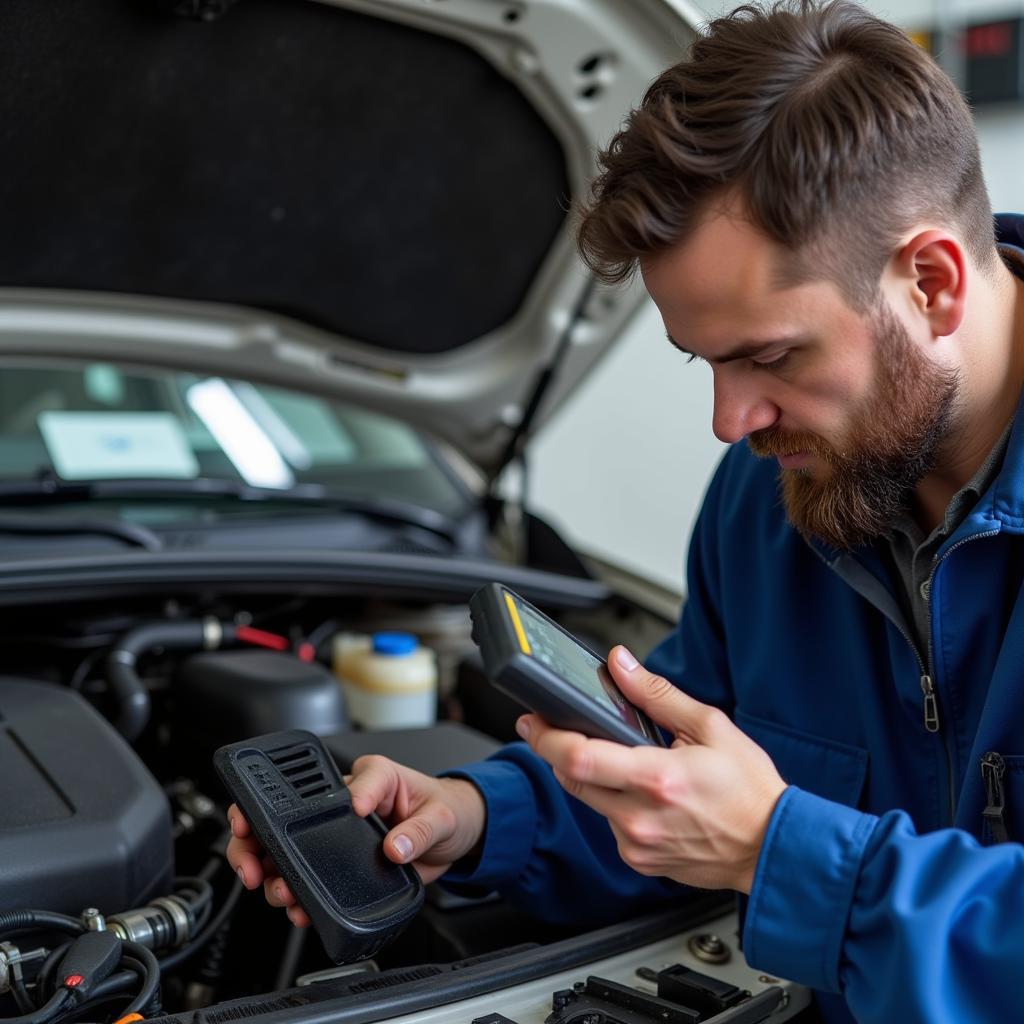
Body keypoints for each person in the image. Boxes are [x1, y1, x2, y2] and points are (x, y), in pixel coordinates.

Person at [228, 2, 1024, 1020]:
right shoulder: (771, 500)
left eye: (769, 355)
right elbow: (676, 778)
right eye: (705, 361)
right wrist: (479, 815)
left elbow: (757, 834)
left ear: (931, 281)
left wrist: (780, 853)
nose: (730, 422)